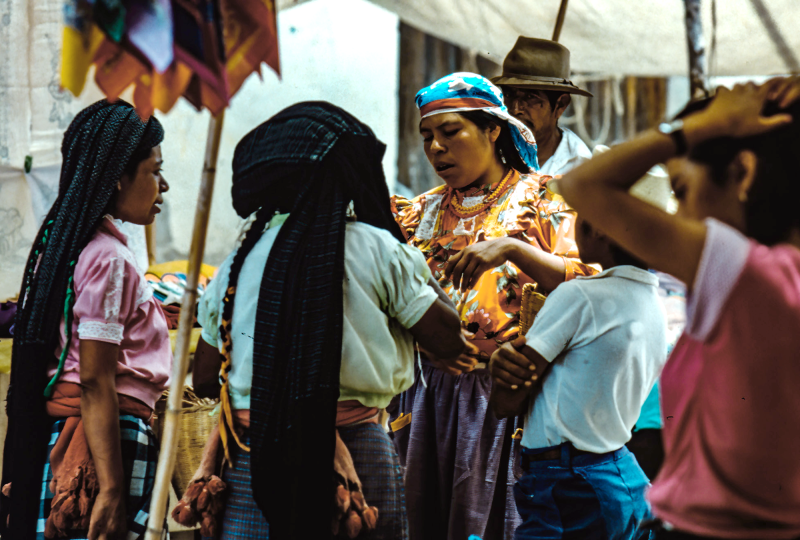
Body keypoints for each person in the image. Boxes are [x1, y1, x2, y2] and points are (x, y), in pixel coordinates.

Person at [190, 101, 467, 539]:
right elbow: (448, 339)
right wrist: (401, 246)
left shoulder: (238, 262)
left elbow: (205, 378)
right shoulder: (379, 248)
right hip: (360, 449)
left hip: (253, 453)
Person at [554, 78, 800, 539]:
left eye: (682, 191)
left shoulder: (753, 275)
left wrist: (694, 129)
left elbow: (582, 185)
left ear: (743, 174)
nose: (680, 216)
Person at [389, 72, 596, 540]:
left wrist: (513, 248)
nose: (436, 148)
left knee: (491, 516)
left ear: (493, 130)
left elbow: (589, 284)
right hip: (421, 394)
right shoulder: (416, 214)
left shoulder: (543, 200)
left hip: (502, 397)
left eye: (450, 132)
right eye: (427, 137)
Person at [0, 100, 172, 540]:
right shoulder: (109, 260)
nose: (164, 185)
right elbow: (96, 380)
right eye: (155, 171)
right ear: (119, 176)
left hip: (85, 433)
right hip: (107, 442)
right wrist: (112, 489)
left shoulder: (72, 249)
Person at [488, 174, 670, 539]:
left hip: (567, 481)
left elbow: (507, 400)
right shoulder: (654, 304)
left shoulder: (580, 297)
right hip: (617, 471)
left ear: (601, 230)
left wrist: (498, 366)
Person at [492, 37, 593, 176]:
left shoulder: (580, 167)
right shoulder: (489, 151)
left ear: (560, 105)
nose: (515, 110)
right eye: (509, 95)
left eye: (530, 97)